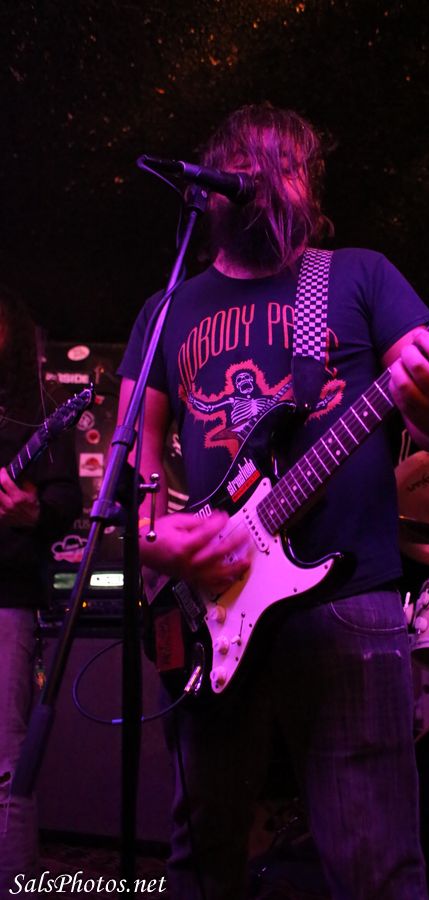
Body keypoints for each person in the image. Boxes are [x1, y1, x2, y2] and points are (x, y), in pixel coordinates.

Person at [118, 103, 429, 900]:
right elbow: (130, 471)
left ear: (309, 186)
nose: (265, 178)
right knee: (201, 852)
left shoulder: (357, 275)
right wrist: (155, 540)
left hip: (350, 600)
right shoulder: (165, 312)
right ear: (212, 186)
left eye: (285, 165)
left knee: (376, 859)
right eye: (244, 164)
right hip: (211, 607)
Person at [0, 287, 82, 895]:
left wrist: (34, 512)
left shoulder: (40, 408)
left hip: (6, 595)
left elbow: (66, 500)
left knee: (6, 764)